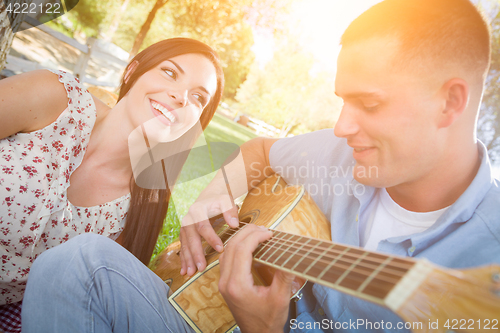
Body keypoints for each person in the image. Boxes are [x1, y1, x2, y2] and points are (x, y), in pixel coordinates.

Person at [20, 0, 500, 332]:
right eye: (342, 102)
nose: (340, 127)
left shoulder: (486, 263)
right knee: (78, 261)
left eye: (369, 104)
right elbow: (260, 152)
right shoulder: (343, 154)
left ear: (449, 102)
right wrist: (215, 195)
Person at [0, 37, 224, 332]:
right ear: (132, 72)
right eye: (170, 72)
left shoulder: (140, 211)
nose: (182, 97)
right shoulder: (55, 98)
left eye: (198, 98)